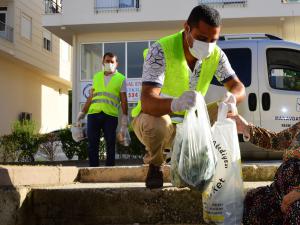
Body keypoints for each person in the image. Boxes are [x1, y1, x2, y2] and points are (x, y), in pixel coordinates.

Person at [131, 4, 246, 189]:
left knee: (223, 109)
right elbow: (147, 102)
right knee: (157, 124)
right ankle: (155, 165)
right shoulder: (160, 50)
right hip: (159, 122)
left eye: (213, 40)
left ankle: (204, 164)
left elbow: (238, 86)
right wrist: (175, 103)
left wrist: (232, 98)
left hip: (191, 124)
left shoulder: (216, 55)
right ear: (187, 28)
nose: (207, 46)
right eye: (201, 38)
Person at [230, 114, 300, 225]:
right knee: (252, 202)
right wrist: (247, 128)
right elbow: (277, 140)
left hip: (296, 197)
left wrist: (297, 193)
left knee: (296, 212)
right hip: (279, 193)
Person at [77, 52, 128, 167]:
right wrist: (82, 113)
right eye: (107, 61)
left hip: (110, 116)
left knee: (110, 143)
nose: (109, 63)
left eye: (112, 62)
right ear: (103, 62)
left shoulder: (121, 79)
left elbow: (124, 100)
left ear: (116, 64)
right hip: (93, 114)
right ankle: (93, 169)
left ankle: (110, 169)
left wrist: (125, 118)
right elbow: (91, 96)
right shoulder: (96, 76)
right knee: (92, 144)